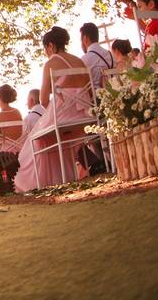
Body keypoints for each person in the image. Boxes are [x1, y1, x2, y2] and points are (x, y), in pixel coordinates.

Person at [13, 27, 94, 192]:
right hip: (85, 117)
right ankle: (66, 177)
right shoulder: (80, 61)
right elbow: (90, 93)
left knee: (34, 141)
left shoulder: (51, 63)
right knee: (56, 140)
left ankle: (41, 183)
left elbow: (43, 100)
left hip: (62, 119)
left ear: (50, 46)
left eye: (45, 49)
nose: (46, 53)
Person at [79, 22, 113, 90]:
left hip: (93, 99)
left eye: (81, 40)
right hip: (114, 95)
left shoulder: (84, 60)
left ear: (85, 39)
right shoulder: (111, 55)